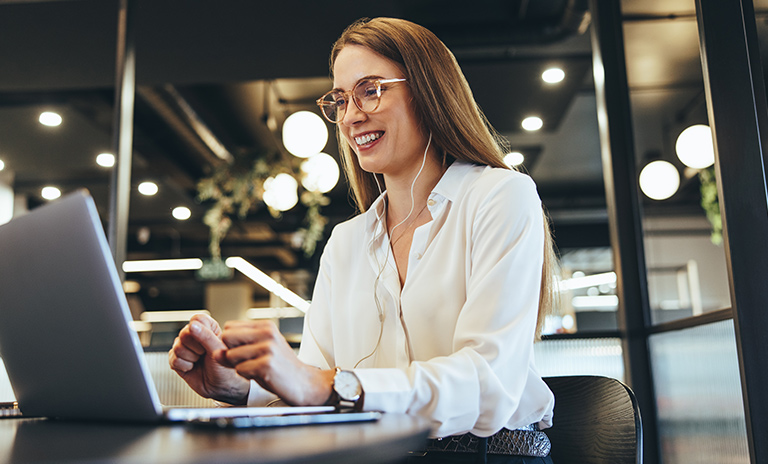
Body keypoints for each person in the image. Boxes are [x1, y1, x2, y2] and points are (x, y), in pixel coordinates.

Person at [169, 17, 558, 463]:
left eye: (370, 90)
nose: (352, 116)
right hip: (372, 452)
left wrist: (332, 386)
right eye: (339, 99)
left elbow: (489, 383)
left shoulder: (499, 196)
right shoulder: (346, 241)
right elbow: (314, 379)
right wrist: (239, 385)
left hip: (490, 455)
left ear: (427, 90)